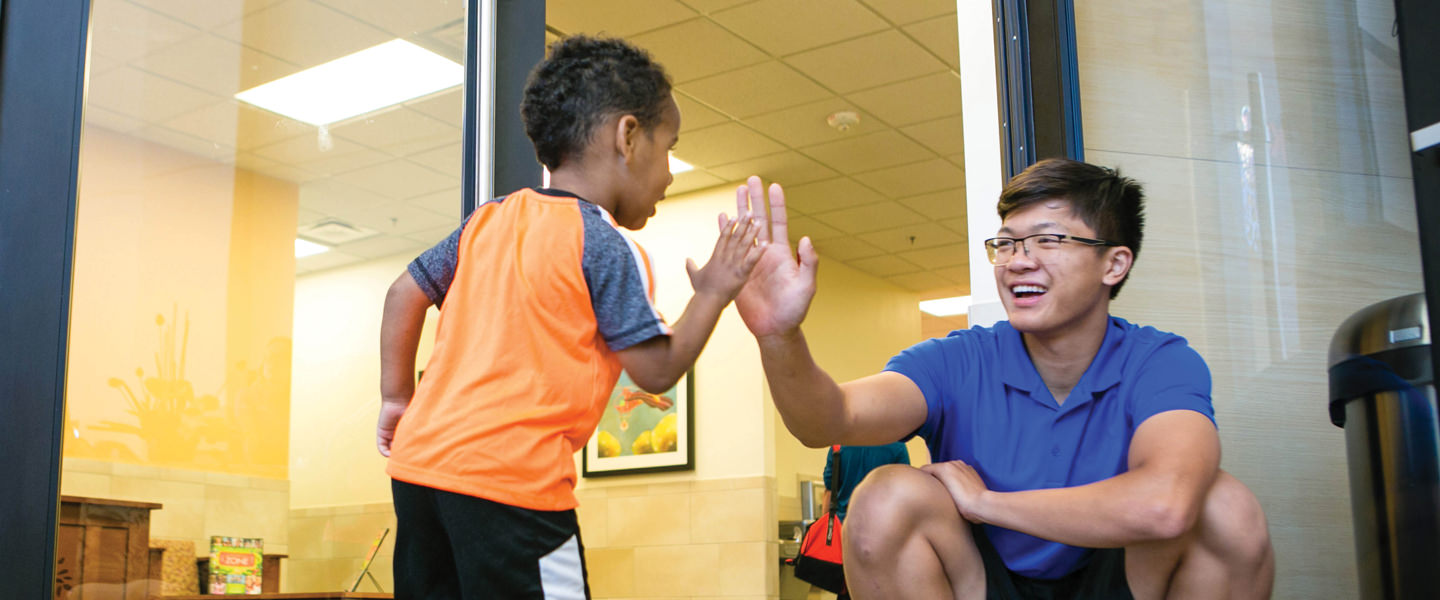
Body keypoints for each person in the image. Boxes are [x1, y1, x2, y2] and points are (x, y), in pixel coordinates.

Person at [732, 159, 1275, 599]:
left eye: (1047, 241)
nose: (1017, 261)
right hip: (985, 581)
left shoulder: (1159, 360)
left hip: (1119, 577)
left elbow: (1166, 503)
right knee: (883, 497)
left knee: (1223, 510)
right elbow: (829, 419)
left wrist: (987, 503)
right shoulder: (959, 360)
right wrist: (779, 337)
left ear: (1114, 265)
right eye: (1008, 243)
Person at [375, 35, 766, 599]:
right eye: (669, 149)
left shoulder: (487, 221)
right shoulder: (602, 242)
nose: (671, 175)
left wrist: (396, 400)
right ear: (628, 137)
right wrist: (714, 292)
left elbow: (401, 294)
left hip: (418, 477)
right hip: (513, 485)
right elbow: (655, 372)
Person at [821, 443, 910, 522]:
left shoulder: (838, 446)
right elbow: (904, 492)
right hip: (883, 526)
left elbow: (830, 491)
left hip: (843, 526)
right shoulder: (897, 445)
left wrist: (827, 531)